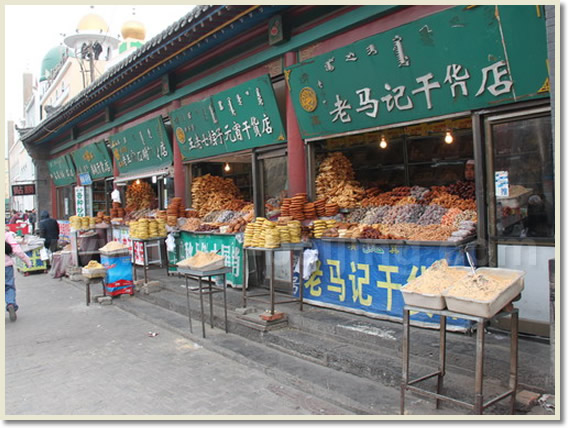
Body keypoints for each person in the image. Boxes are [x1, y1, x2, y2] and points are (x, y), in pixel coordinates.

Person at [5, 230, 32, 321]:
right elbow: (17, 250)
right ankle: (10, 304)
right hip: (6, 266)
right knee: (9, 287)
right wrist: (27, 260)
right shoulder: (6, 235)